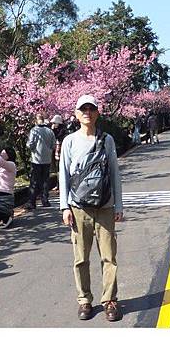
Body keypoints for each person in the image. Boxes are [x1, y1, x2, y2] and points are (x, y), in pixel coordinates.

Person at [58, 95, 124, 322]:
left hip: (105, 206)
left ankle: (110, 300)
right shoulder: (69, 141)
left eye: (91, 108)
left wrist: (119, 205)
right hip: (79, 208)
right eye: (82, 109)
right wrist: (64, 207)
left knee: (109, 257)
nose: (87, 112)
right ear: (76, 114)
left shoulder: (107, 140)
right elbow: (63, 175)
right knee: (81, 258)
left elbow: (115, 172)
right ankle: (84, 300)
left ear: (97, 113)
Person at [27, 113, 56, 209]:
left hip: (36, 160)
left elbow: (30, 144)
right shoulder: (49, 131)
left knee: (34, 181)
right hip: (47, 160)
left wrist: (32, 148)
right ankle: (45, 200)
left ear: (36, 120)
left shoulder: (34, 130)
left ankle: (32, 202)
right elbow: (53, 145)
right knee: (45, 180)